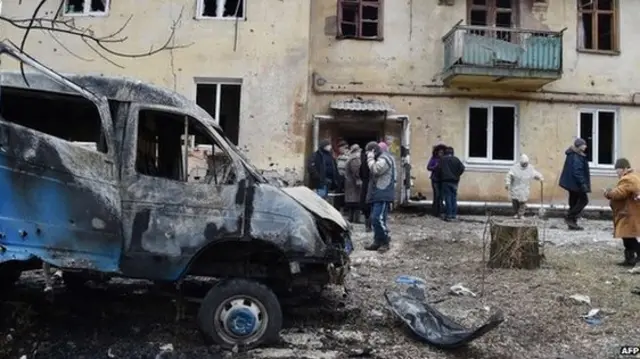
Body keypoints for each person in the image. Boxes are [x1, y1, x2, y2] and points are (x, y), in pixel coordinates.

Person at [604, 158, 640, 267]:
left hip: (628, 212)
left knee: (628, 237)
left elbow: (619, 193)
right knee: (627, 236)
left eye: (618, 170)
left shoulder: (628, 179)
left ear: (624, 168)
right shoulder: (633, 177)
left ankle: (634, 257)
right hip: (630, 211)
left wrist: (608, 193)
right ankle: (629, 259)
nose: (617, 173)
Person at [364, 141, 396, 253]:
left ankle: (385, 241)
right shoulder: (382, 158)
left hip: (383, 192)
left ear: (373, 151)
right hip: (378, 192)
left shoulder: (385, 159)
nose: (367, 155)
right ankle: (377, 241)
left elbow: (376, 170)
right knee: (374, 219)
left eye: (368, 152)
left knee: (378, 218)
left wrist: (370, 158)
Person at [559, 138, 591, 230]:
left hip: (571, 183)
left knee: (573, 202)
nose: (585, 146)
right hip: (576, 184)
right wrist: (583, 184)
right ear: (579, 146)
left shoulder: (572, 153)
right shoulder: (577, 156)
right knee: (584, 200)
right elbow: (577, 172)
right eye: (584, 145)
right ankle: (569, 217)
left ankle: (572, 223)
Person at [505, 154, 544, 219]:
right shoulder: (515, 168)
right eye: (524, 163)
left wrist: (540, 177)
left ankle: (521, 214)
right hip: (515, 188)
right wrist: (507, 183)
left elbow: (535, 174)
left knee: (523, 203)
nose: (525, 165)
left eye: (526, 163)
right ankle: (516, 213)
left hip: (524, 189)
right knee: (515, 203)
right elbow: (509, 176)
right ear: (521, 162)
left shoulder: (530, 168)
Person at [438, 147, 465, 222]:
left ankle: (449, 215)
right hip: (455, 181)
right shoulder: (456, 159)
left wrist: (441, 176)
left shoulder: (442, 160)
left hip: (445, 181)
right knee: (454, 198)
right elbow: (462, 168)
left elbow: (438, 169)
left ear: (445, 152)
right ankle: (454, 215)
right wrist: (457, 175)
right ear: (453, 152)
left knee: (448, 198)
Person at [359, 141, 377, 232]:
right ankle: (371, 225)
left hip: (365, 183)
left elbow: (360, 172)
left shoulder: (363, 158)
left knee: (366, 205)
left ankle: (367, 225)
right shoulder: (374, 159)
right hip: (372, 184)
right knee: (373, 204)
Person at [344, 144, 362, 223]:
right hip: (354, 183)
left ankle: (351, 218)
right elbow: (356, 171)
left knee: (351, 201)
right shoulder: (355, 159)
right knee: (356, 201)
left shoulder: (350, 158)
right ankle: (356, 219)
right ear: (357, 151)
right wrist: (359, 179)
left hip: (350, 182)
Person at [427, 144, 447, 217]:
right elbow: (428, 167)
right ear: (437, 152)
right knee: (436, 195)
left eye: (442, 152)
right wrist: (435, 167)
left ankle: (441, 211)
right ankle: (435, 211)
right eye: (439, 152)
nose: (440, 154)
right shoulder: (434, 158)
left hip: (442, 180)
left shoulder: (445, 159)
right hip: (435, 179)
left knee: (441, 196)